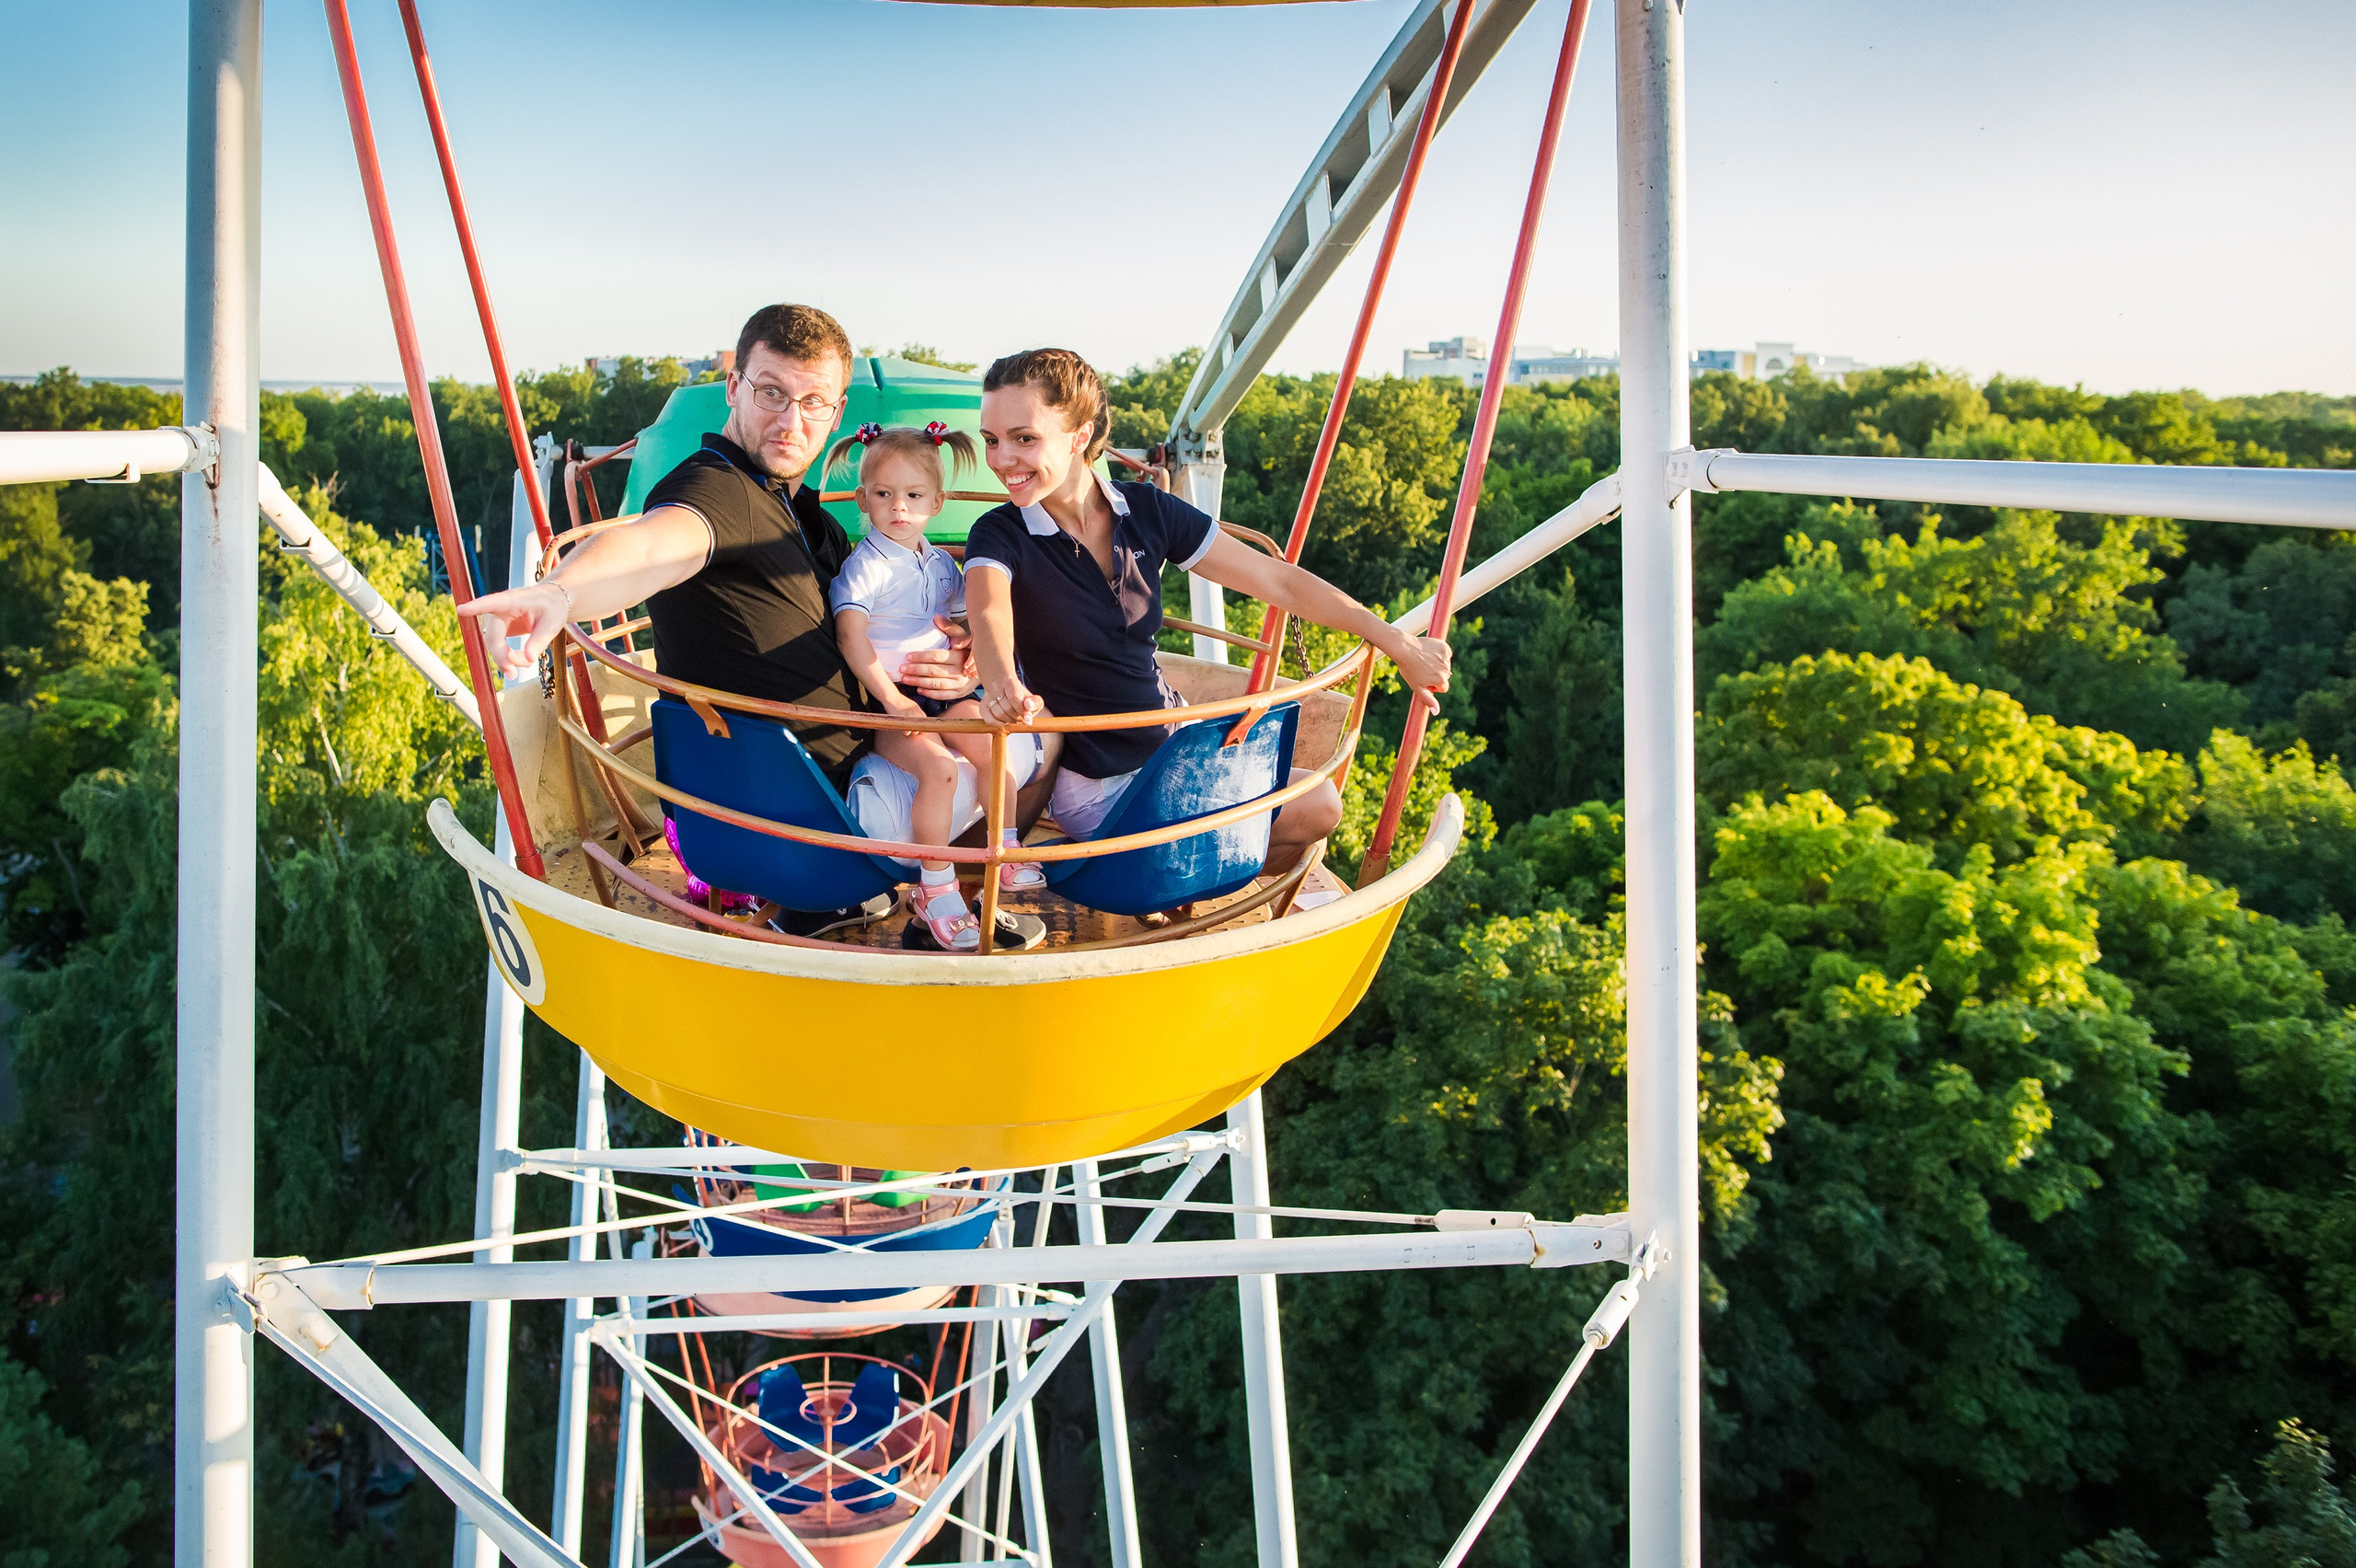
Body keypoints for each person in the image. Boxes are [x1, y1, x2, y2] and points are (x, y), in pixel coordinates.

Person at [465, 304, 1043, 934]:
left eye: (813, 402)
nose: (791, 421)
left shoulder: (810, 518)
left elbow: (878, 630)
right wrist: (562, 592)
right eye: (772, 392)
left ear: (837, 412)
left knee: (979, 715)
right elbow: (656, 543)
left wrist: (958, 663)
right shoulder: (718, 491)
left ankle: (848, 903)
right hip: (813, 813)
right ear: (735, 388)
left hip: (821, 779)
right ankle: (952, 902)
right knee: (1037, 741)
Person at [964, 348, 1451, 880]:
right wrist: (1001, 683)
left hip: (1173, 741)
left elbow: (1277, 578)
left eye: (1023, 438)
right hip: (1103, 782)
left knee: (1318, 797)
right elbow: (989, 611)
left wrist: (1394, 641)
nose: (1001, 459)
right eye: (992, 440)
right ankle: (1168, 881)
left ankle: (1174, 887)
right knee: (1316, 808)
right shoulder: (1000, 532)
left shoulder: (1147, 510)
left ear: (1080, 437)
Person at [825, 421, 1045, 951]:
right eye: (884, 494)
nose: (899, 507)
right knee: (942, 770)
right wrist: (893, 699)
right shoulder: (865, 567)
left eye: (914, 495)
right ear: (863, 499)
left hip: (943, 696)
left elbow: (963, 618)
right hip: (892, 705)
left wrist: (966, 646)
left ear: (936, 502)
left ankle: (1005, 848)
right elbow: (852, 636)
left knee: (994, 748)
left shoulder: (940, 563)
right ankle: (936, 884)